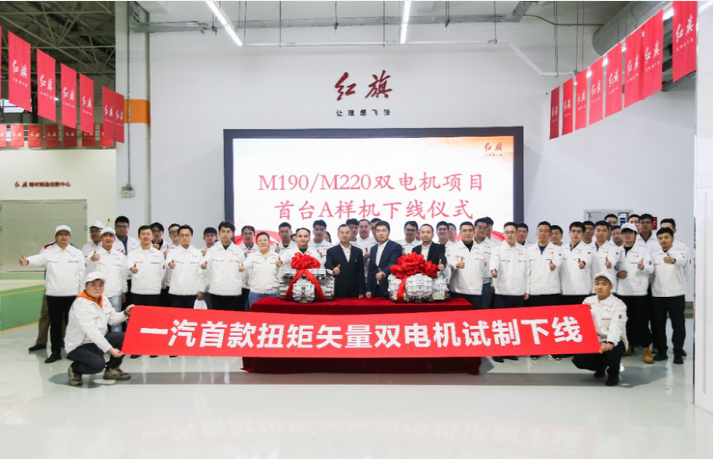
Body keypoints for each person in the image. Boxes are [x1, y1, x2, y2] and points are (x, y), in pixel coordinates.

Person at [20, 225, 86, 363]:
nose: (63, 237)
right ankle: (55, 352)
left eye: (66, 234)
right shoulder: (49, 251)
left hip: (72, 295)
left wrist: (80, 293)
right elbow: (39, 259)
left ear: (70, 237)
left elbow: (82, 273)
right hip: (53, 294)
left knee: (71, 325)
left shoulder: (77, 253)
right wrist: (27, 261)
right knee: (55, 325)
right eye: (60, 234)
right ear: (56, 237)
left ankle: (71, 351)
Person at [65, 272, 134, 387]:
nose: (97, 288)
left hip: (98, 340)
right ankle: (75, 369)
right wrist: (110, 349)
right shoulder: (80, 305)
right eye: (93, 284)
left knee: (125, 337)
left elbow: (112, 319)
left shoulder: (104, 300)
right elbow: (91, 331)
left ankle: (112, 369)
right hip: (80, 344)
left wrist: (125, 313)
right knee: (97, 365)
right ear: (86, 286)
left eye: (100, 285)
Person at [572, 272, 628, 387]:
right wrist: (583, 312)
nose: (600, 287)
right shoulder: (588, 301)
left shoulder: (618, 304)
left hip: (614, 340)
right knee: (578, 360)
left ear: (611, 287)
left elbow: (616, 325)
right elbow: (580, 324)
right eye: (597, 284)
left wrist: (610, 342)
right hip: (594, 341)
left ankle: (613, 373)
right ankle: (601, 366)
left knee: (612, 350)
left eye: (604, 284)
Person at [616, 223, 654, 362]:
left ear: (635, 235)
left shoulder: (643, 250)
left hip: (639, 292)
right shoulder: (618, 251)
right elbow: (612, 268)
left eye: (630, 233)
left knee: (641, 322)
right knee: (626, 322)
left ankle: (646, 348)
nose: (627, 235)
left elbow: (651, 269)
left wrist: (643, 267)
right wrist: (617, 273)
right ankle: (629, 346)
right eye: (624, 233)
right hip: (622, 292)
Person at [650, 227, 687, 364]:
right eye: (660, 238)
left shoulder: (680, 252)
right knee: (658, 325)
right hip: (657, 295)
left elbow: (682, 262)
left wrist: (673, 260)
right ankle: (662, 351)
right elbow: (651, 274)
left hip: (676, 294)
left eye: (666, 237)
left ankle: (678, 352)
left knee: (678, 325)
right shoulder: (654, 255)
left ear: (672, 238)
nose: (663, 240)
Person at [86, 227, 128, 332]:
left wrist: (123, 291)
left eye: (110, 236)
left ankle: (116, 342)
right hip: (99, 295)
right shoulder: (94, 254)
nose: (108, 238)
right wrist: (93, 259)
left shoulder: (120, 256)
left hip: (115, 294)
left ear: (114, 239)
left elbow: (123, 275)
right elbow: (89, 271)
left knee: (116, 324)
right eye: (105, 236)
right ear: (101, 238)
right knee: (98, 322)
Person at [201, 221, 245, 311]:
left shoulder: (238, 251)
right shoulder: (212, 250)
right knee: (218, 317)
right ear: (219, 233)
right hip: (216, 291)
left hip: (233, 292)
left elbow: (243, 272)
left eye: (228, 231)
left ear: (232, 234)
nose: (225, 234)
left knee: (232, 317)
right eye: (223, 231)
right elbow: (206, 268)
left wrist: (238, 288)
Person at [446, 222, 487, 309]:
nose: (467, 233)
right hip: (458, 291)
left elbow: (485, 269)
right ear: (460, 233)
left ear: (474, 232)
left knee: (475, 316)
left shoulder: (481, 250)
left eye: (470, 230)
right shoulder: (453, 248)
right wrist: (457, 264)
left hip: (476, 291)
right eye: (464, 231)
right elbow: (450, 261)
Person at [490, 222, 529, 310]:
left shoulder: (523, 250)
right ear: (503, 233)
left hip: (519, 292)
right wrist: (494, 269)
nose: (509, 235)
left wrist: (527, 290)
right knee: (502, 317)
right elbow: (494, 261)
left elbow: (527, 272)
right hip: (502, 292)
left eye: (512, 232)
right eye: (507, 232)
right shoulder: (497, 249)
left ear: (516, 233)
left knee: (517, 317)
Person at [166, 225, 206, 308]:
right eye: (182, 235)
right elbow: (167, 262)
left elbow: (201, 274)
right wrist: (170, 264)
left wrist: (201, 290)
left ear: (191, 236)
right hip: (176, 292)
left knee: (191, 315)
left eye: (187, 235)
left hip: (192, 292)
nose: (184, 237)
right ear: (178, 236)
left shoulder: (197, 253)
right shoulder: (172, 252)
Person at [240, 232, 282, 309]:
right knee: (256, 316)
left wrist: (279, 266)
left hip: (273, 293)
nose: (263, 242)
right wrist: (240, 267)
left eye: (265, 240)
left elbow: (280, 275)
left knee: (272, 315)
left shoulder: (276, 256)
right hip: (255, 294)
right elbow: (245, 265)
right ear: (257, 242)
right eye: (260, 240)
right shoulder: (252, 256)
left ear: (269, 241)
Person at [126, 225, 165, 307]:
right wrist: (132, 268)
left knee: (153, 315)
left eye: (148, 234)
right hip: (137, 292)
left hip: (154, 292)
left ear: (152, 236)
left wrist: (156, 284)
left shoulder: (159, 254)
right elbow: (129, 266)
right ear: (139, 236)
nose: (146, 236)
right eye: (143, 234)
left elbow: (162, 273)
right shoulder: (133, 253)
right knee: (138, 315)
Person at [526, 221, 562, 307]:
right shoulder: (529, 250)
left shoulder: (557, 249)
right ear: (537, 233)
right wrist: (526, 290)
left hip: (552, 291)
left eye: (546, 231)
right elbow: (526, 272)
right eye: (540, 231)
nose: (543, 233)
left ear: (550, 234)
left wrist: (554, 265)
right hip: (534, 291)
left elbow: (558, 261)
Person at [325, 224, 366, 298]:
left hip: (355, 289)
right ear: (338, 235)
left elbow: (361, 272)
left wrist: (361, 291)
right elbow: (327, 263)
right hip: (338, 289)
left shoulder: (358, 251)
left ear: (350, 234)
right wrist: (333, 269)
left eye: (347, 233)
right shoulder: (331, 251)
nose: (344, 235)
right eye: (342, 233)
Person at [560, 222, 593, 305]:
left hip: (581, 290)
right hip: (565, 290)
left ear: (583, 234)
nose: (575, 234)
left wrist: (583, 263)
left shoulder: (588, 248)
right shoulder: (562, 249)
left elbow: (587, 258)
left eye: (578, 231)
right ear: (569, 233)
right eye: (573, 231)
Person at [366, 221, 402, 298]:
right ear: (375, 233)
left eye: (383, 230)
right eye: (378, 231)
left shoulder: (396, 247)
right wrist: (368, 289)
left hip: (388, 288)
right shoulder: (373, 249)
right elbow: (371, 270)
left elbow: (393, 263)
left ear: (388, 232)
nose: (381, 233)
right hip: (374, 289)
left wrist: (383, 273)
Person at [591, 221, 624, 293]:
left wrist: (610, 263)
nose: (601, 233)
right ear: (594, 231)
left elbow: (613, 258)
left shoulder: (613, 248)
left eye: (604, 231)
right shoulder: (588, 247)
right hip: (591, 286)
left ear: (608, 232)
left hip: (607, 287)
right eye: (598, 230)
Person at [660, 218, 692, 284]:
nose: (665, 231)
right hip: (658, 285)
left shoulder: (682, 247)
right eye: (662, 228)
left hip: (675, 285)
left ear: (674, 231)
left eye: (668, 229)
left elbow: (687, 269)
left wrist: (680, 283)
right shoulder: (653, 246)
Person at [237, 225, 259, 312]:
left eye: (250, 233)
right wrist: (244, 256)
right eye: (245, 234)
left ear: (254, 235)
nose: (248, 236)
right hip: (240, 285)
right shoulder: (237, 249)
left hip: (254, 285)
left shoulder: (259, 249)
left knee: (253, 309)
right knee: (240, 309)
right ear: (242, 235)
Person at [474, 218, 495, 308]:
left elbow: (496, 266)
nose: (482, 230)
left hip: (486, 283)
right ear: (475, 229)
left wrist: (493, 283)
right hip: (471, 283)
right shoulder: (468, 243)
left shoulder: (493, 245)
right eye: (480, 227)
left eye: (484, 228)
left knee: (484, 309)